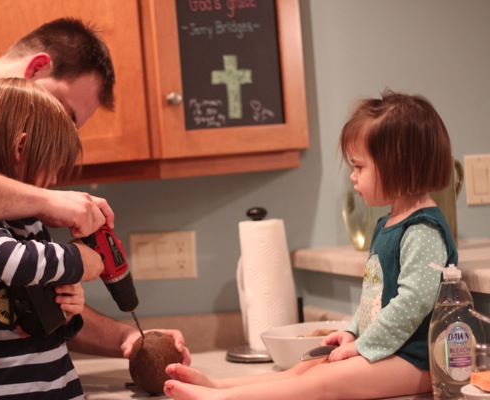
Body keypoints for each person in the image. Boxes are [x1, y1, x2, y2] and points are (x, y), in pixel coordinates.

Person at [0, 18, 189, 399]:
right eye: (65, 115)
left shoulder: (20, 210)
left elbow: (28, 298)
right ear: (37, 69)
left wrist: (125, 337)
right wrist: (51, 211)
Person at [163, 90, 458, 400]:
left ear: (398, 165)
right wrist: (353, 332)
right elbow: (374, 300)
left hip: (417, 361)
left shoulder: (423, 230)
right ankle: (220, 387)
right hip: (388, 352)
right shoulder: (389, 224)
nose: (353, 176)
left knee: (324, 381)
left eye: (359, 167)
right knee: (308, 367)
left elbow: (413, 303)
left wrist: (362, 345)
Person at [0, 77, 104, 399]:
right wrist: (77, 260)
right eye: (52, 165)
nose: (53, 179)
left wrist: (67, 310)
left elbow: (38, 313)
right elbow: (13, 262)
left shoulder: (30, 223)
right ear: (20, 148)